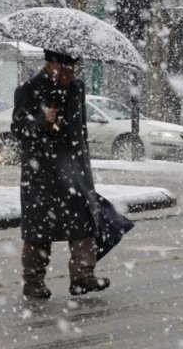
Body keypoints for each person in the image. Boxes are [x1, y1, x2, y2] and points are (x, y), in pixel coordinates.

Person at [11, 49, 115, 300]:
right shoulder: (28, 89)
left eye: (73, 67)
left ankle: (82, 276)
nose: (71, 71)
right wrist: (41, 120)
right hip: (41, 171)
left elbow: (78, 130)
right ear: (50, 64)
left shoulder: (76, 89)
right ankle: (33, 281)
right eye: (65, 66)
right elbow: (18, 128)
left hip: (73, 169)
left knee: (83, 223)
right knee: (39, 230)